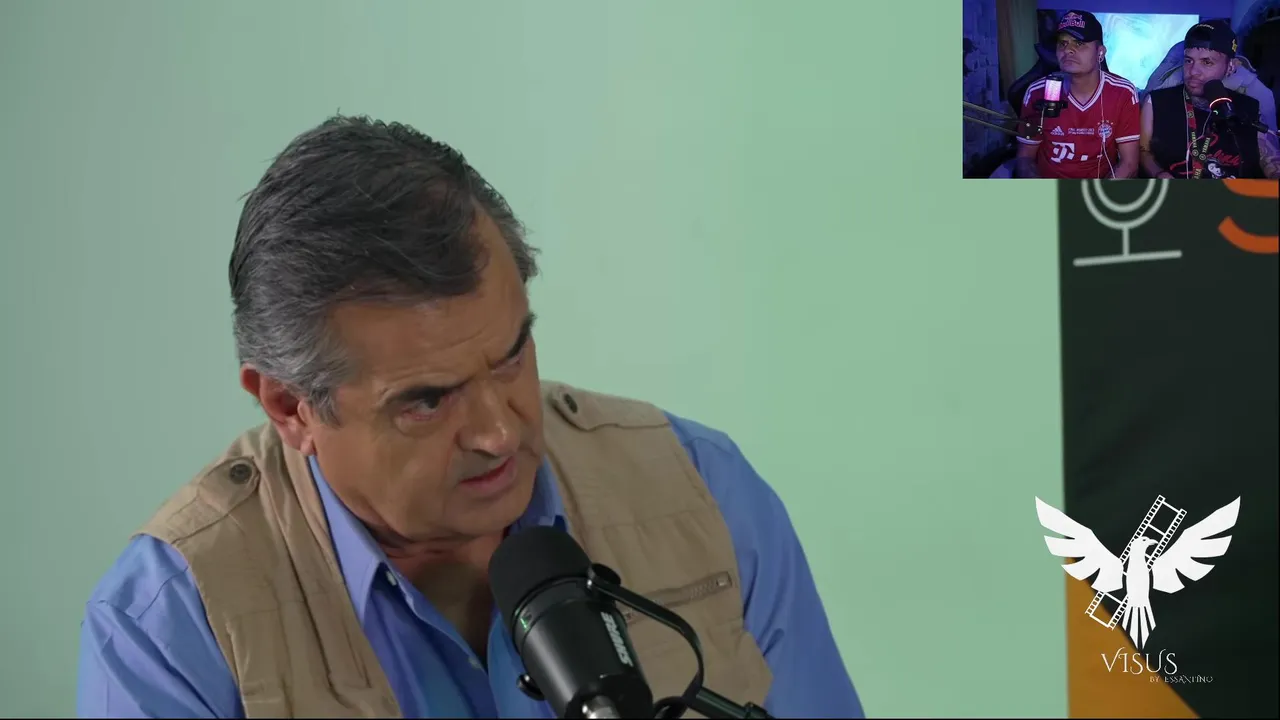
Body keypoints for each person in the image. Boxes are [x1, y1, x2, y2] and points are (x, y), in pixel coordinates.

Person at [74, 116, 865, 719]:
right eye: (428, 399)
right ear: (291, 407)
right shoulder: (171, 627)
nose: (499, 431)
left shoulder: (704, 490)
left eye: (512, 355)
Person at [1139, 21, 1280, 179]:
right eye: (1188, 61)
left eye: (1207, 62)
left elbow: (1271, 161)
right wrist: (1158, 173)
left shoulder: (1250, 108)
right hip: (1174, 193)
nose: (1194, 71)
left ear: (1230, 66)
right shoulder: (1156, 102)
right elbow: (1144, 151)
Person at [1015, 10, 1141, 179]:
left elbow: (1129, 164)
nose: (1068, 50)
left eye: (1079, 43)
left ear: (1100, 52)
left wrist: (1100, 194)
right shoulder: (1038, 92)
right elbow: (1025, 158)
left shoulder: (1123, 93)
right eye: (1063, 43)